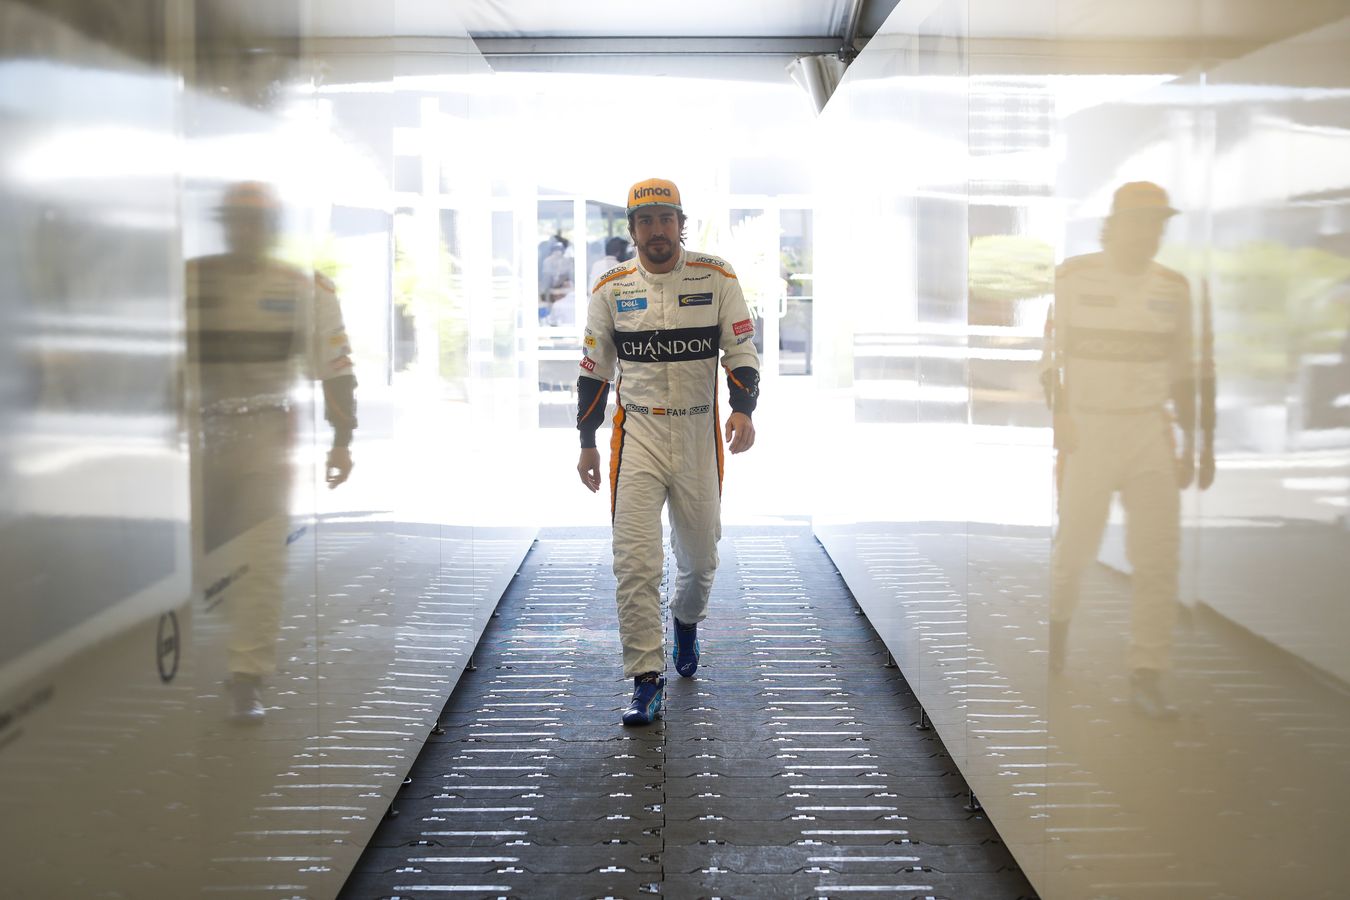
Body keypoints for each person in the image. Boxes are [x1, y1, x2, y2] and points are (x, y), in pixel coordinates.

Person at [575, 178, 761, 726]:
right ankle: (646, 679)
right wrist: (585, 442)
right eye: (645, 221)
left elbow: (741, 349)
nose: (657, 230)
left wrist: (744, 407)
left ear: (681, 223)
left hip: (699, 435)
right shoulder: (610, 287)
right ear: (632, 231)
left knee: (700, 561)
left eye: (666, 219)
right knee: (635, 563)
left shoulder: (717, 275)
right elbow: (593, 372)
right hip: (637, 439)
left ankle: (686, 620)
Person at [1041, 181, 1213, 719]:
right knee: (1074, 553)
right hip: (1089, 432)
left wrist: (1199, 443)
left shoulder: (1174, 289)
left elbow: (1189, 373)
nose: (1151, 233)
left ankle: (1147, 672)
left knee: (1159, 558)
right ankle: (1060, 624)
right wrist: (1061, 414)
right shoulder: (1074, 277)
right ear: (1115, 224)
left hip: (1148, 432)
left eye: (1159, 223)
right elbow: (1051, 357)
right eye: (1141, 222)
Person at [187, 180, 357, 722]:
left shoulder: (304, 289)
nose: (243, 230)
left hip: (266, 436)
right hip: (197, 437)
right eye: (234, 219)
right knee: (199, 557)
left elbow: (336, 374)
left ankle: (246, 676)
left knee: (261, 559)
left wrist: (342, 441)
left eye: (253, 221)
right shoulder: (190, 281)